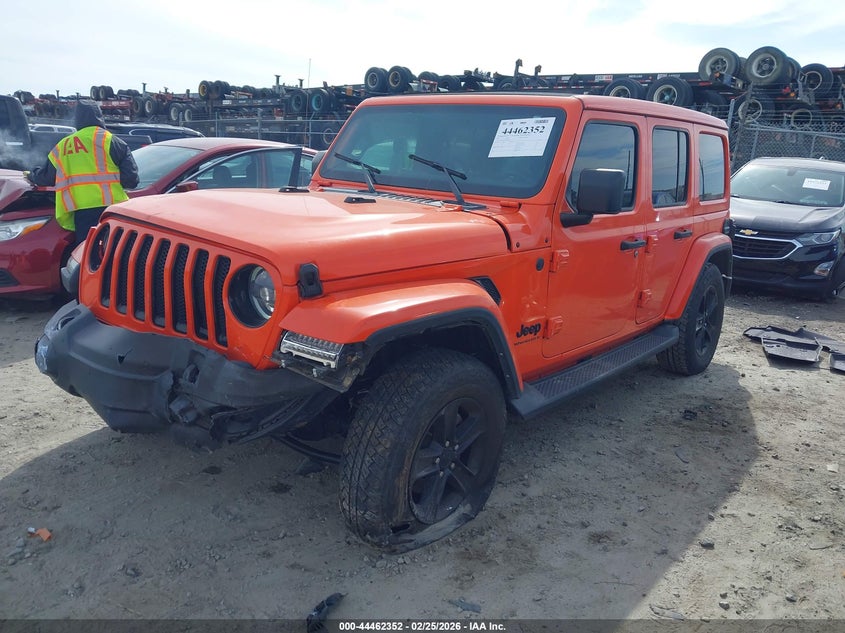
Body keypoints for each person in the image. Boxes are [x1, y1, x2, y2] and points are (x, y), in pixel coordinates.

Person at [27, 99, 139, 246]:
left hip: (82, 212)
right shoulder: (113, 141)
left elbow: (45, 177)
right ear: (99, 117)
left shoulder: (64, 145)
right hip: (114, 210)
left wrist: (31, 174)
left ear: (78, 119)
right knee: (116, 253)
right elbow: (131, 180)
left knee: (88, 255)